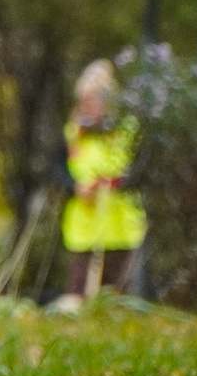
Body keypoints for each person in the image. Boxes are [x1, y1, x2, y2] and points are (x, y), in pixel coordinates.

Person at [55, 59, 145, 310]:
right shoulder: (73, 131)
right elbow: (57, 168)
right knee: (79, 285)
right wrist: (75, 186)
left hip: (118, 221)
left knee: (115, 289)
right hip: (85, 222)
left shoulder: (127, 131)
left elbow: (138, 169)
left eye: (96, 100)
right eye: (86, 101)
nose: (91, 107)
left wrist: (116, 183)